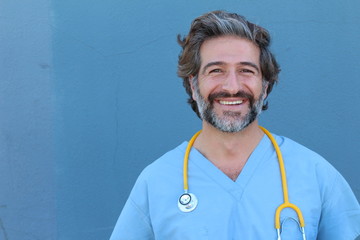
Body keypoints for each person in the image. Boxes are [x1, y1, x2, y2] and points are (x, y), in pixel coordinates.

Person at [109, 10, 360, 240]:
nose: (232, 87)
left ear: (266, 85)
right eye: (216, 70)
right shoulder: (156, 182)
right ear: (194, 85)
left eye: (247, 71)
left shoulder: (316, 175)